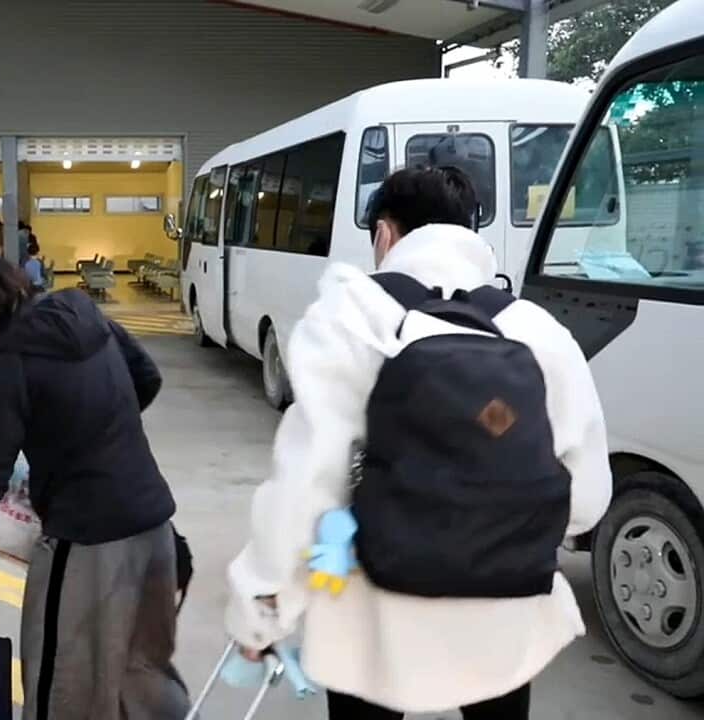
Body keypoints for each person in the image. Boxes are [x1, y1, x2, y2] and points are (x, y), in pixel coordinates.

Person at [224, 166, 612, 719]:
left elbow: (307, 485)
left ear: (385, 233)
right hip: (505, 616)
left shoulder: (350, 317)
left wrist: (263, 610)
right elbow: (588, 498)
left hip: (373, 615)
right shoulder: (537, 329)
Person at [0, 244, 191, 720]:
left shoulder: (6, 363)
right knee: (142, 668)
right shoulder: (79, 309)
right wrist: (96, 436)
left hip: (87, 541)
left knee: (61, 680)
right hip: (154, 526)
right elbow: (146, 378)